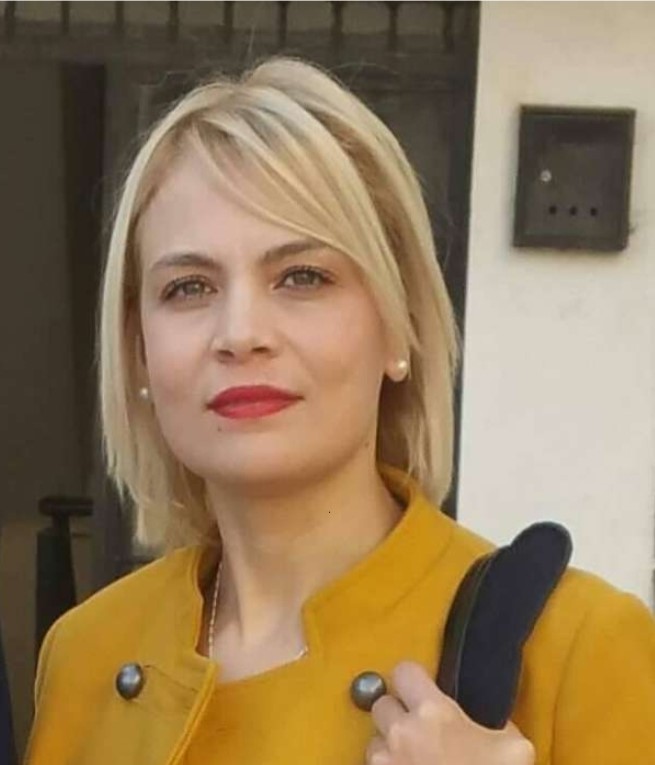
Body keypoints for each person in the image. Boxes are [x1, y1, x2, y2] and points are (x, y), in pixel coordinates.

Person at [24, 56, 655, 765]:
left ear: (397, 325)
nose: (240, 333)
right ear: (139, 351)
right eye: (189, 287)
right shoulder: (84, 653)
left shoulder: (578, 647)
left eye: (302, 276)